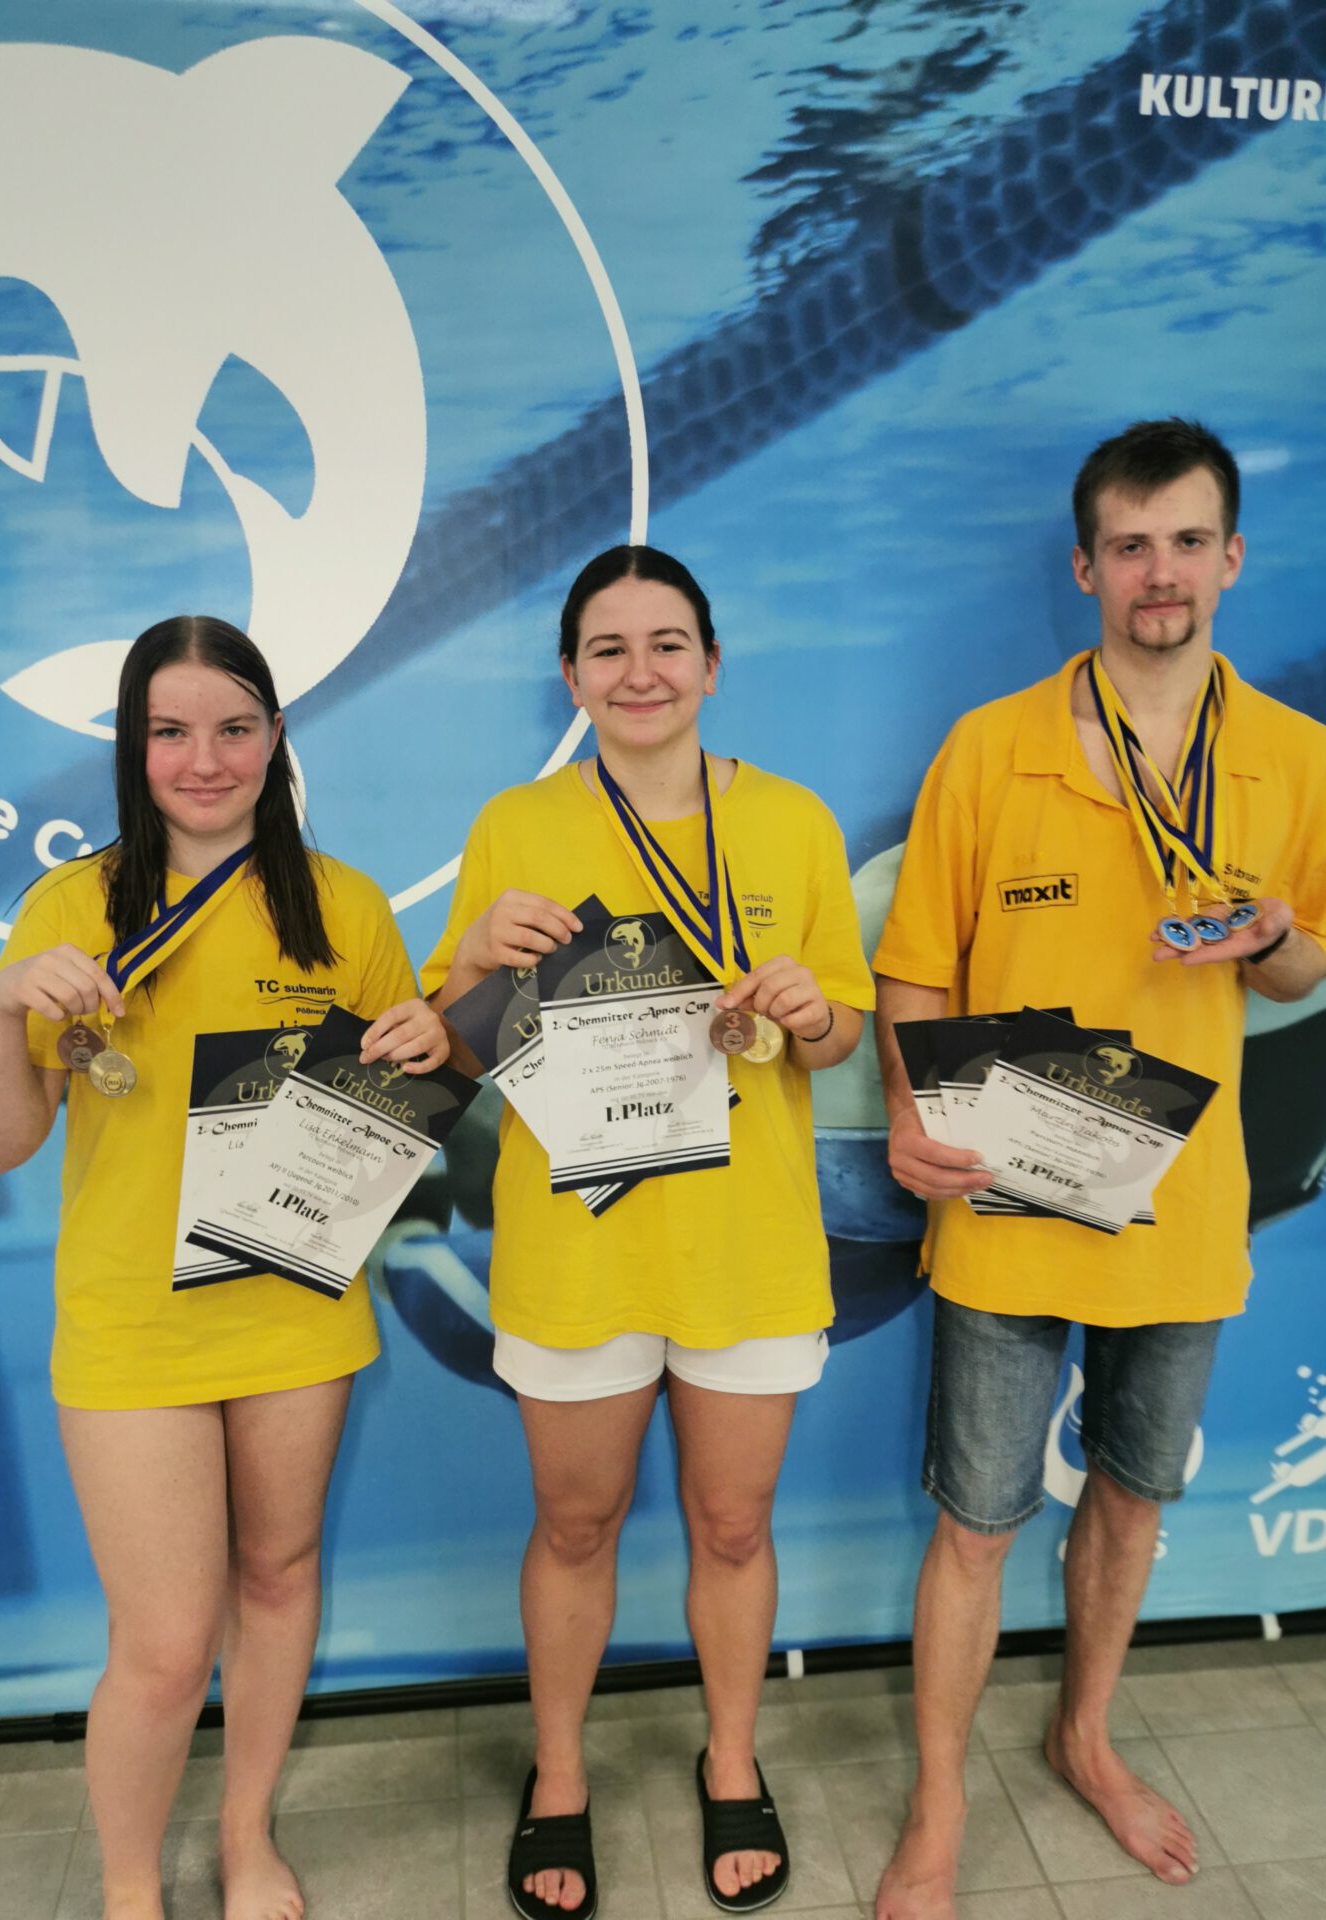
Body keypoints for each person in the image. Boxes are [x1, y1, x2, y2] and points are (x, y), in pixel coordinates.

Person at [870, 419, 1326, 1920]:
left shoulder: (1296, 760)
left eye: (1189, 539)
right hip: (1010, 1199)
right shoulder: (990, 747)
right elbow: (914, 973)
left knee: (1133, 1500)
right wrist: (909, 1114)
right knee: (975, 1519)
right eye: (1132, 543)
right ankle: (940, 1808)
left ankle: (1085, 1735)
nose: (1162, 571)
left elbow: (1314, 965)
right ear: (1087, 565)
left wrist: (1276, 938)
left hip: (1180, 1203)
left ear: (1232, 557)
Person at [423, 544, 874, 1918]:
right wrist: (470, 964)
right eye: (608, 648)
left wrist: (808, 1015)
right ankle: (558, 1777)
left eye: (668, 642)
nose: (640, 671)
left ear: (713, 664)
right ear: (571, 674)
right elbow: (449, 1051)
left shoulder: (792, 823)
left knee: (733, 1529)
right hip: (580, 1243)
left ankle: (730, 1760)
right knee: (577, 1524)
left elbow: (845, 1028)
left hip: (746, 1248)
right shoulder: (517, 824)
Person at [0, 616, 448, 1920]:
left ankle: (247, 1837)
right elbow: (1, 1147)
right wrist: (2, 1006)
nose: (205, 758)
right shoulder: (68, 911)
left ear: (276, 736)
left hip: (296, 1306)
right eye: (171, 731)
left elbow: (402, 1136)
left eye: (234, 727)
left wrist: (429, 1056)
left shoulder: (345, 908)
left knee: (280, 1577)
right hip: (134, 1327)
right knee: (165, 1644)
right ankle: (132, 1887)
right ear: (132, 748)